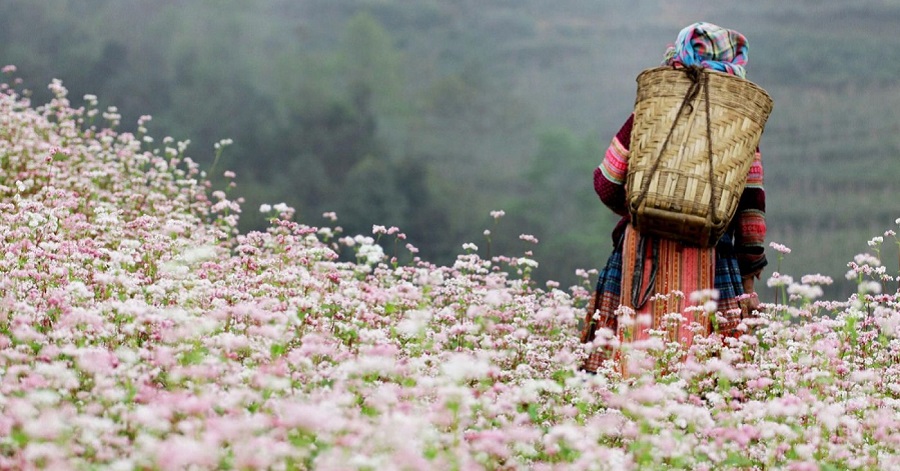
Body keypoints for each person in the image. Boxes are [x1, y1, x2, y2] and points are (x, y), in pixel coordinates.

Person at [580, 22, 767, 373]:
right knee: (710, 379)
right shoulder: (741, 128)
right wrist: (748, 283)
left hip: (640, 256)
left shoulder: (650, 112)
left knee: (624, 368)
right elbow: (751, 215)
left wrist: (647, 210)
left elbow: (607, 181)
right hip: (713, 259)